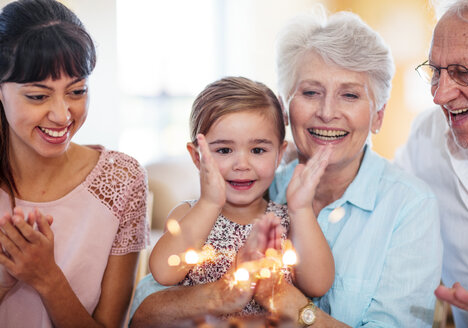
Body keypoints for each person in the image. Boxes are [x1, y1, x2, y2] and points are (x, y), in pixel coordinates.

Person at [129, 9, 442, 328]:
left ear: (378, 115)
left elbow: (318, 283)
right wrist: (223, 294)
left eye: (349, 94)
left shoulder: (409, 207)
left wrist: (288, 301)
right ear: (286, 108)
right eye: (310, 92)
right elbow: (145, 307)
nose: (327, 112)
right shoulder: (248, 189)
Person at [0, 0, 149, 327]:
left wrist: (47, 278)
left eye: (77, 91)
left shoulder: (122, 179)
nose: (62, 115)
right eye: (38, 96)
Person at [148, 76, 334, 317]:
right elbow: (163, 272)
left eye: (258, 150)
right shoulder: (188, 214)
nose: (242, 164)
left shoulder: (289, 220)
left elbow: (318, 284)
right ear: (197, 157)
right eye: (224, 150)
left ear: (279, 155)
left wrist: (302, 210)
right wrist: (209, 202)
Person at [394, 0, 468, 326]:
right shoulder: (427, 136)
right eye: (436, 72)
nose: (439, 95)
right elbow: (379, 197)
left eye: (462, 73)